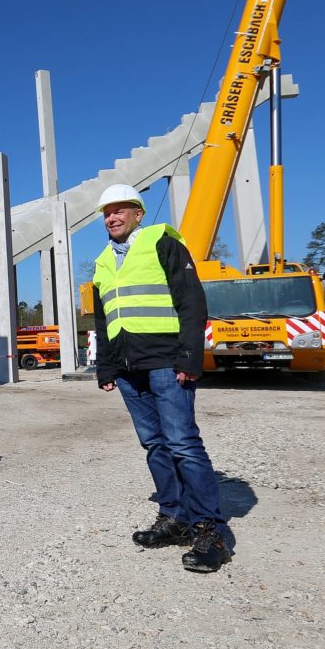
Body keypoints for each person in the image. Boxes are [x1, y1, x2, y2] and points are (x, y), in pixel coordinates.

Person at [91, 184, 230, 573]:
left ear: (138, 213)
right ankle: (175, 518)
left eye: (120, 210)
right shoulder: (104, 261)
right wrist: (107, 367)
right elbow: (104, 321)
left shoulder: (162, 242)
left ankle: (210, 531)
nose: (112, 218)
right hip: (128, 369)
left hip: (168, 361)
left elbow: (191, 299)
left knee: (182, 443)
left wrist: (189, 355)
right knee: (154, 444)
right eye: (107, 213)